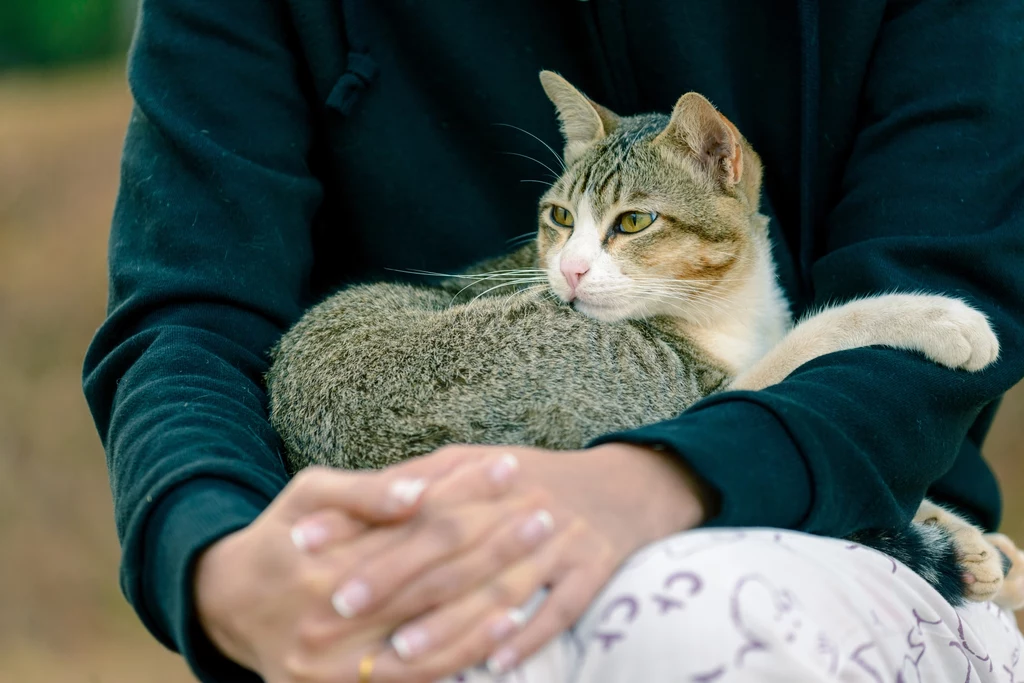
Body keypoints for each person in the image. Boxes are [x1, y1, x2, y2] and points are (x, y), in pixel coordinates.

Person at [83, 1, 1024, 681]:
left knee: (687, 614)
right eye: (560, 224)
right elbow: (187, 320)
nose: (569, 266)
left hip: (826, 521)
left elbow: (951, 292)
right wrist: (207, 552)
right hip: (379, 539)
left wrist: (663, 480)